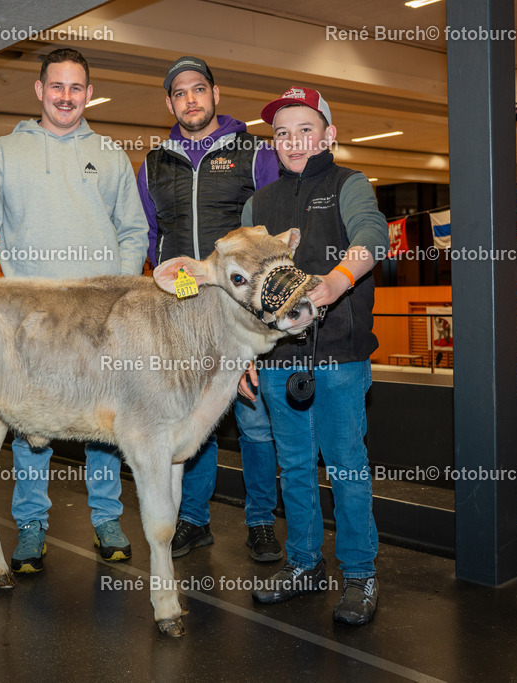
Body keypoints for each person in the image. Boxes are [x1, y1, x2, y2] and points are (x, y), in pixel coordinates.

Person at [0, 47, 148, 574]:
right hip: (30, 319)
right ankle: (30, 524)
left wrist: (118, 291)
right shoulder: (4, 153)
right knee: (29, 421)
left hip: (97, 317)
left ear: (89, 93)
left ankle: (107, 518)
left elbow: (133, 229)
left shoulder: (111, 155)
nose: (66, 96)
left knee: (104, 421)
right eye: (57, 86)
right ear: (39, 90)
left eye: (76, 87)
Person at [239, 87, 388, 625]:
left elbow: (373, 234)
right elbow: (246, 284)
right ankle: (304, 564)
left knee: (346, 466)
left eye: (305, 130)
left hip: (340, 357)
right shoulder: (258, 204)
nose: (293, 141)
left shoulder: (349, 184)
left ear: (329, 135)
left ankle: (360, 574)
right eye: (282, 133)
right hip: (279, 360)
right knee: (295, 466)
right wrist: (245, 350)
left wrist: (338, 280)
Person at [137, 56, 283, 562]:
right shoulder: (154, 164)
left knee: (254, 420)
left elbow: (271, 230)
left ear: (216, 94)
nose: (190, 99)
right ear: (170, 103)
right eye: (179, 93)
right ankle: (194, 521)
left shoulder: (254, 152)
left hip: (242, 307)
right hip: (183, 311)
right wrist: (173, 290)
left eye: (198, 89)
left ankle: (260, 522)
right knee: (192, 417)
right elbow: (150, 236)